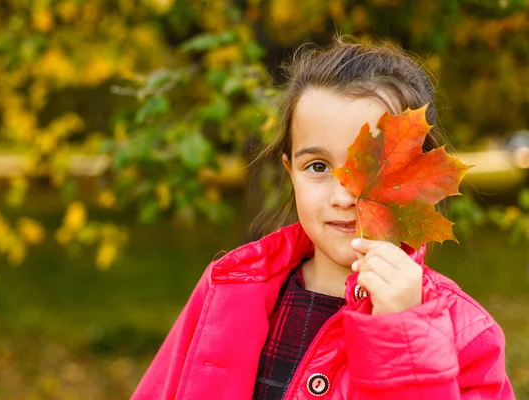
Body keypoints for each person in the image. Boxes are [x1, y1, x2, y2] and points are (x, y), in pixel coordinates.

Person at [131, 38, 515, 399]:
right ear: (289, 171)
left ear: (419, 177)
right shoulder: (230, 288)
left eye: (373, 168)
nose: (344, 196)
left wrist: (403, 333)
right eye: (317, 166)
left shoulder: (466, 333)